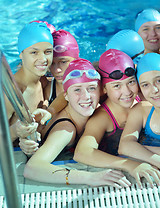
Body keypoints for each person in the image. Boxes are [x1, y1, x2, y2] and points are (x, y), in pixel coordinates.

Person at [23, 58, 131, 188]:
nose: (86, 96)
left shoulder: (91, 106)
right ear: (66, 96)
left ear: (101, 91)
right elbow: (32, 168)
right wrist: (90, 177)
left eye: (91, 88)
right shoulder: (65, 130)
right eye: (77, 90)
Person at [74, 49, 160, 188]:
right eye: (117, 86)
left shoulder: (144, 97)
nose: (127, 92)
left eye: (131, 82)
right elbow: (82, 152)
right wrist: (129, 164)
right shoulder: (103, 118)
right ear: (104, 88)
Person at [4, 22, 58, 154]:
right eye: (34, 52)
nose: (43, 59)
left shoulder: (44, 80)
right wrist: (15, 132)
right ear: (21, 54)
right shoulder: (10, 93)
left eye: (48, 52)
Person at [119, 53, 160, 170]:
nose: (155, 90)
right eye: (145, 85)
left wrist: (139, 147)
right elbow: (124, 146)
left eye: (159, 80)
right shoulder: (142, 110)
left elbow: (130, 147)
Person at [43, 29, 80, 105]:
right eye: (52, 63)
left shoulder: (91, 85)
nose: (57, 70)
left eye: (63, 62)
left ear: (76, 60)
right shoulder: (48, 90)